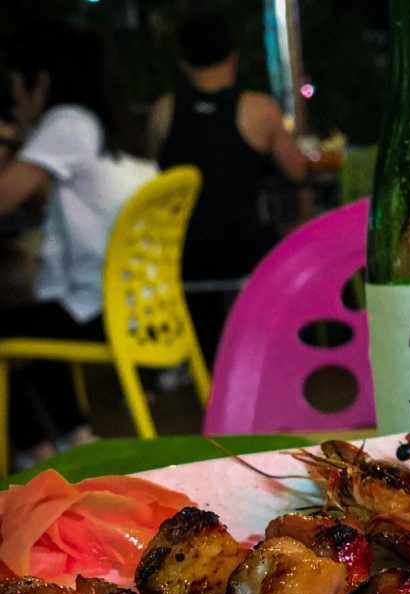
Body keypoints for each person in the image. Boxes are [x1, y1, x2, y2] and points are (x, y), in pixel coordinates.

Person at [0, 20, 156, 470]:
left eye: (18, 90)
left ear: (41, 81)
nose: (20, 105)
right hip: (138, 309)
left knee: (19, 321)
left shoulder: (68, 121)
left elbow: (6, 193)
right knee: (32, 317)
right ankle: (74, 439)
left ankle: (35, 457)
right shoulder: (121, 130)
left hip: (96, 309)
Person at [147, 12, 308, 362]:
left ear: (184, 64)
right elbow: (297, 171)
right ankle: (270, 347)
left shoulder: (163, 111)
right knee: (291, 230)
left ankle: (201, 358)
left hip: (183, 255)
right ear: (233, 57)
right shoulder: (260, 110)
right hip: (243, 249)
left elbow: (152, 177)